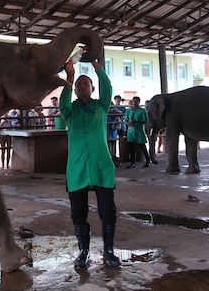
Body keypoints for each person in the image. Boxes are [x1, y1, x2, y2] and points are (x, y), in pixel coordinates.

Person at [59, 55, 121, 269]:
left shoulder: (101, 106)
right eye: (79, 85)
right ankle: (83, 252)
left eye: (86, 83)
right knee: (78, 212)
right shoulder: (69, 111)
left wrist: (97, 67)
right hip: (77, 169)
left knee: (107, 211)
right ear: (75, 90)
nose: (82, 86)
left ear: (92, 88)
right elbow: (63, 100)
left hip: (101, 166)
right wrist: (71, 75)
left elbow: (108, 87)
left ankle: (109, 251)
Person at [125, 96, 151, 168]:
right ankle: (132, 162)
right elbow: (125, 120)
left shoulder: (142, 111)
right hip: (130, 131)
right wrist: (128, 123)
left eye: (136, 102)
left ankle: (148, 160)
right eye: (133, 102)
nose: (134, 103)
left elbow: (145, 120)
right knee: (131, 147)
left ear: (139, 102)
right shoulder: (128, 111)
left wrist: (136, 122)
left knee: (142, 146)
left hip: (139, 130)